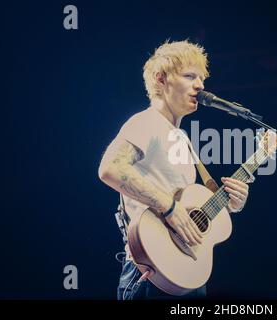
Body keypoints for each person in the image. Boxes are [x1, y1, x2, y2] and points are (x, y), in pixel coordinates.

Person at [98, 39, 250, 300]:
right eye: (190, 76)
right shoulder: (146, 122)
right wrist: (169, 206)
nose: (200, 85)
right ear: (161, 79)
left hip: (182, 272)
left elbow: (192, 212)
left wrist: (233, 202)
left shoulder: (181, 139)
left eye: (201, 78)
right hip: (150, 274)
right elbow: (110, 168)